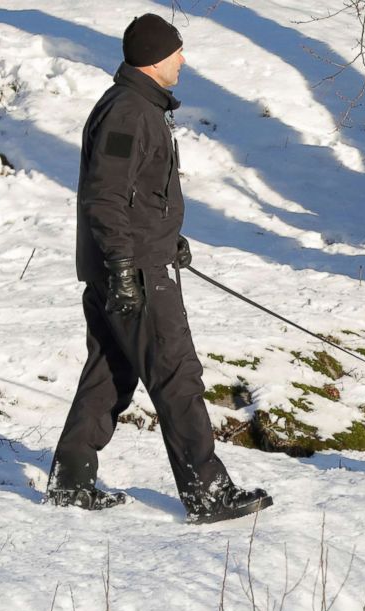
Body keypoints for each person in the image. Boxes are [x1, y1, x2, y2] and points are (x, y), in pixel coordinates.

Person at [46, 14, 272, 523]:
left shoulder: (137, 106)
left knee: (110, 371)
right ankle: (208, 491)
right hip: (135, 273)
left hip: (137, 261)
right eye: (177, 52)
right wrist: (127, 264)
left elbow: (136, 195)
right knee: (177, 374)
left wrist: (168, 238)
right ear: (154, 58)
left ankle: (71, 480)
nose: (183, 60)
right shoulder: (128, 113)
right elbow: (105, 196)